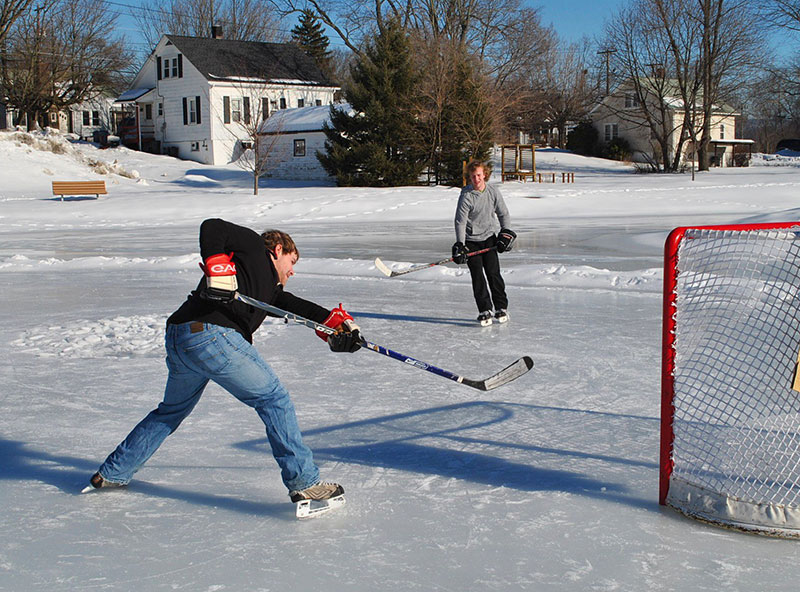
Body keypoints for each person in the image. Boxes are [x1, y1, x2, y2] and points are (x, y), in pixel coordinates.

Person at [83, 218, 361, 515]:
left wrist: (336, 325)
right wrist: (217, 264)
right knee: (273, 399)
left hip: (181, 337)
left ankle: (112, 473)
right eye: (291, 262)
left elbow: (296, 306)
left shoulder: (266, 290)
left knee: (170, 411)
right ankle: (304, 482)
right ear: (278, 249)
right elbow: (212, 227)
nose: (292, 271)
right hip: (213, 337)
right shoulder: (254, 247)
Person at [452, 160, 517, 326]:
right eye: (473, 176)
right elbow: (460, 221)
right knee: (478, 276)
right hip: (471, 241)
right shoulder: (466, 195)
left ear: (485, 175)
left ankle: (501, 307)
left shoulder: (492, 192)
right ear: (470, 177)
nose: (476, 179)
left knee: (493, 274)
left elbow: (504, 214)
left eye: (479, 175)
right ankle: (484, 310)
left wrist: (505, 232)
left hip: (489, 239)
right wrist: (460, 244)